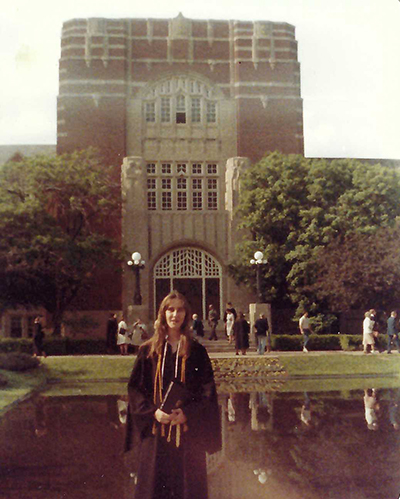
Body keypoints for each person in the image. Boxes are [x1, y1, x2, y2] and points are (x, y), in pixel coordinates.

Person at [125, 290, 221, 499]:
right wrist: (153, 413)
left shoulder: (196, 352)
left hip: (187, 434)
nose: (175, 315)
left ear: (186, 315)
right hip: (156, 432)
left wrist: (187, 413)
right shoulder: (149, 351)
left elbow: (207, 391)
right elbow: (135, 390)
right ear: (163, 313)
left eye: (180, 310)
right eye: (170, 309)